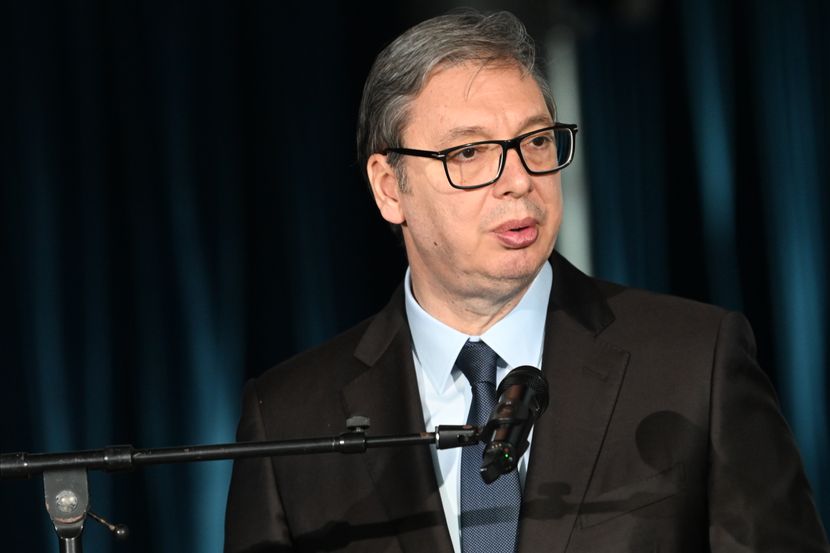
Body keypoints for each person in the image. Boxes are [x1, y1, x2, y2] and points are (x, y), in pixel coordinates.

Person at [224, 10, 829, 553]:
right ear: (389, 187)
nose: (518, 180)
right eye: (470, 153)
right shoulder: (289, 419)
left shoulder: (696, 362)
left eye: (536, 142)